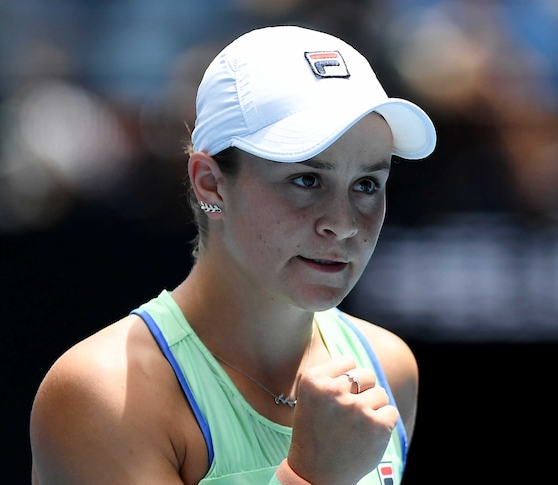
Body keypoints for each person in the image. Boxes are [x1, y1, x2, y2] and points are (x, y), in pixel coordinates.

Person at [29, 25, 436, 484]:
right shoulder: (100, 391)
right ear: (210, 182)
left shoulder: (388, 366)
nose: (343, 223)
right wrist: (310, 476)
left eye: (367, 185)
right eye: (306, 180)